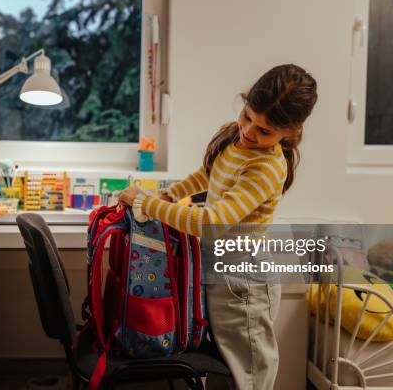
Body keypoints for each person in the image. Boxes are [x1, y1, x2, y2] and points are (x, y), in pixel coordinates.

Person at [119, 64, 318, 389]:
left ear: (290, 131)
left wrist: (146, 202)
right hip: (219, 276)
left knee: (248, 377)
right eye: (248, 115)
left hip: (245, 285)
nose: (249, 131)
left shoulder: (266, 168)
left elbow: (210, 224)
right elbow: (210, 172)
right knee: (224, 371)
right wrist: (171, 194)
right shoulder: (236, 137)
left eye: (264, 130)